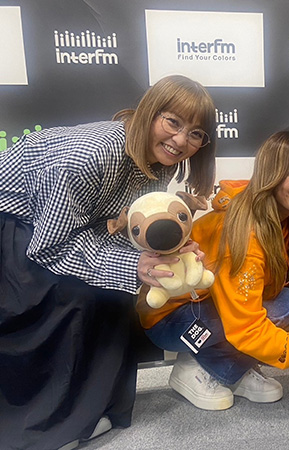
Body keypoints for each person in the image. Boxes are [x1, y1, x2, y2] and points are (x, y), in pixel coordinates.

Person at [0, 75, 217, 450]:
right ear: (150, 113)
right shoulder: (91, 156)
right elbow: (50, 246)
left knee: (115, 293)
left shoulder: (160, 160)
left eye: (196, 134)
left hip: (62, 230)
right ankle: (43, 425)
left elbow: (119, 227)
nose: (182, 140)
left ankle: (89, 410)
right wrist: (135, 266)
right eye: (173, 122)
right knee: (74, 295)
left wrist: (168, 253)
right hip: (17, 227)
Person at [137, 130, 289, 411]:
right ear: (270, 175)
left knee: (287, 301)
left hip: (210, 307)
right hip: (170, 319)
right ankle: (197, 368)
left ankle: (231, 368)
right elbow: (247, 330)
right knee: (283, 308)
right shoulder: (244, 232)